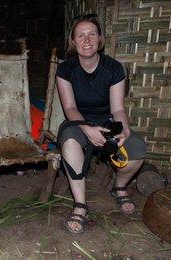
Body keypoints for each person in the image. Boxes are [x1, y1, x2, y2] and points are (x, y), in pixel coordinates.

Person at [56, 14, 147, 234]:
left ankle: (120, 186)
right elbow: (69, 108)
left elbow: (117, 109)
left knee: (137, 150)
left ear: (99, 39)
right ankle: (80, 204)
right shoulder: (66, 69)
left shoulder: (113, 68)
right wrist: (86, 129)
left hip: (107, 121)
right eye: (80, 35)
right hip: (77, 121)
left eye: (92, 34)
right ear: (73, 41)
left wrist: (123, 129)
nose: (86, 40)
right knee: (69, 143)